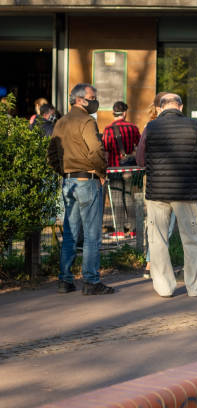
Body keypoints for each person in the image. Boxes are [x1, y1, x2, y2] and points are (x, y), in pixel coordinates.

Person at [136, 93, 197, 297]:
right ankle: (196, 287)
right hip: (187, 191)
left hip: (157, 193)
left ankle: (164, 287)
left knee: (158, 239)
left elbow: (140, 159)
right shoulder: (194, 125)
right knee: (192, 239)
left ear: (161, 108)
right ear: (180, 107)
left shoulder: (150, 128)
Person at [47, 83, 114, 295]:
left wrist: (64, 172)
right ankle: (91, 281)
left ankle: (65, 279)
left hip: (69, 181)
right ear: (79, 100)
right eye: (92, 97)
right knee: (92, 234)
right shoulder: (86, 121)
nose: (95, 100)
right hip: (88, 180)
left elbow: (52, 154)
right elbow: (96, 149)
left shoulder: (60, 122)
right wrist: (101, 172)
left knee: (70, 232)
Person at [142, 92, 174, 278]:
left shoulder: (149, 127)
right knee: (164, 226)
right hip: (166, 182)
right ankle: (152, 263)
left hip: (154, 181)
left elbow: (142, 155)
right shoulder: (154, 126)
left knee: (157, 224)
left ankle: (151, 263)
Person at [102, 101, 142, 234]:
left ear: (113, 113)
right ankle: (133, 229)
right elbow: (140, 146)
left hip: (114, 168)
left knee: (116, 198)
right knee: (129, 197)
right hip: (130, 169)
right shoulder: (133, 128)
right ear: (124, 113)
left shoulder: (108, 129)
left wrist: (104, 169)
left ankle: (119, 230)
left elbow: (105, 151)